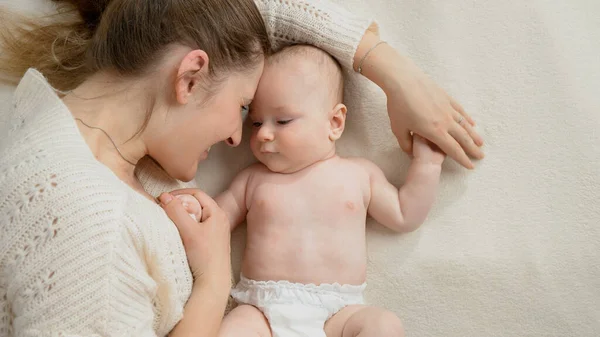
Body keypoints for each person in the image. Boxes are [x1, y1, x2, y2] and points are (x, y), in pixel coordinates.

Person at [0, 1, 483, 336]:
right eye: (245, 108)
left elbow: (250, 15)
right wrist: (213, 277)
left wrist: (394, 73)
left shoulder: (88, 124)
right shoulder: (90, 231)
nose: (242, 138)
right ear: (189, 78)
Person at [195, 45, 442, 337]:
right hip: (261, 309)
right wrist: (194, 208)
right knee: (234, 331)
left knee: (384, 326)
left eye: (283, 121)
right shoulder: (252, 179)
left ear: (335, 123)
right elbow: (216, 220)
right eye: (257, 122)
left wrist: (427, 163)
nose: (263, 134)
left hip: (338, 313)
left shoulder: (359, 175)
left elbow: (404, 214)